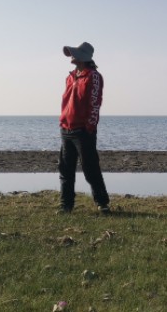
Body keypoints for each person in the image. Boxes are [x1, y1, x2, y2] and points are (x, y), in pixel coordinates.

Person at [58, 41, 110, 214]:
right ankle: (66, 206)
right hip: (66, 128)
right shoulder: (70, 77)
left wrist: (89, 126)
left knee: (90, 169)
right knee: (66, 169)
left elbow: (95, 103)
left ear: (84, 57)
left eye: (74, 53)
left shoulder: (94, 76)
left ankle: (102, 203)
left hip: (82, 131)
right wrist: (63, 122)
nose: (71, 56)